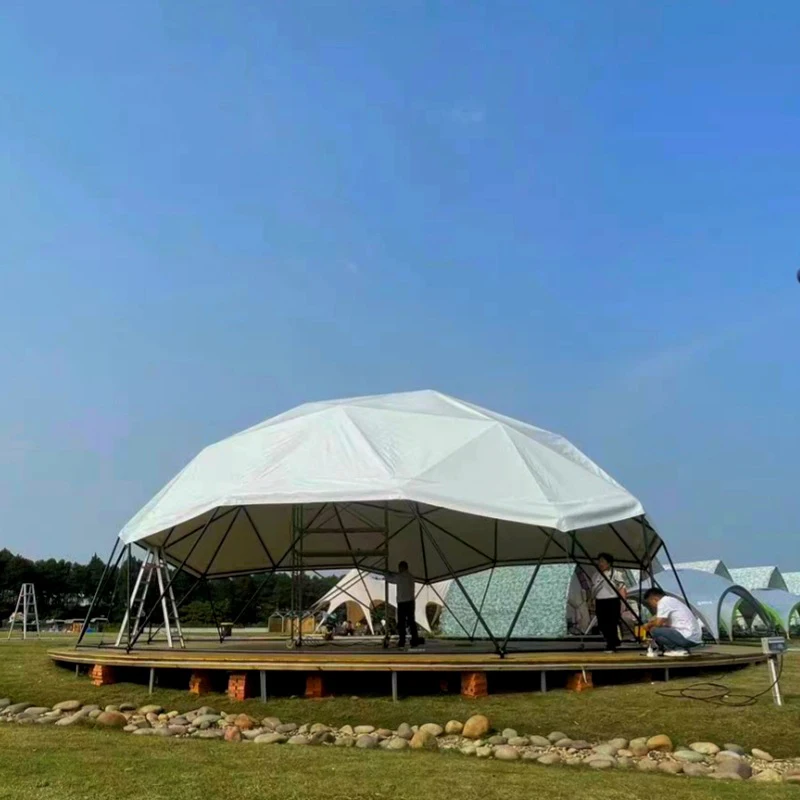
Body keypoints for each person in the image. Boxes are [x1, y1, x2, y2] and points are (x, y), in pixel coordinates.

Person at [642, 587, 703, 657]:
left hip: (687, 636)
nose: (652, 605)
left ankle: (678, 649)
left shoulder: (663, 602)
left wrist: (648, 625)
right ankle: (683, 649)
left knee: (654, 630)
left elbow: (658, 623)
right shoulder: (672, 601)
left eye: (650, 603)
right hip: (693, 637)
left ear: (654, 599)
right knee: (660, 633)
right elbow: (664, 622)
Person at [591, 553, 628, 653]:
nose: (600, 563)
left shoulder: (616, 574)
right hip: (600, 601)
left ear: (609, 563)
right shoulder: (596, 575)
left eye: (603, 561)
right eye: (599, 561)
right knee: (602, 624)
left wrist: (623, 603)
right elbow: (593, 590)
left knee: (611, 624)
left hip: (612, 601)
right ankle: (614, 640)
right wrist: (592, 602)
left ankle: (611, 645)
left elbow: (621, 588)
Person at [387, 561, 421, 648]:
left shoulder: (399, 577)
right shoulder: (411, 577)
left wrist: (386, 574)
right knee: (411, 622)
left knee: (401, 623)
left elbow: (391, 579)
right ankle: (415, 640)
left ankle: (402, 641)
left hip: (402, 602)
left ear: (401, 567)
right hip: (410, 601)